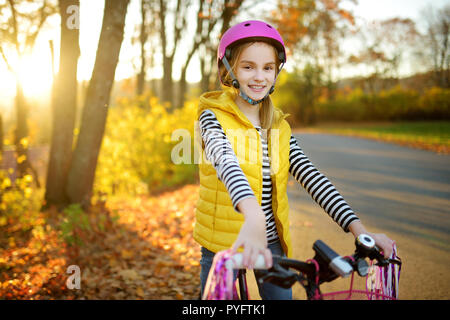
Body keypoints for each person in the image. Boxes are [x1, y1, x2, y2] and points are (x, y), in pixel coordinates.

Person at [194, 20, 394, 300]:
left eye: (268, 68)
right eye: (248, 66)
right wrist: (253, 216)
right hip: (222, 246)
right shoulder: (212, 116)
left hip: (270, 242)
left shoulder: (278, 126)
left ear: (276, 73)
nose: (259, 77)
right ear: (229, 70)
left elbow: (312, 177)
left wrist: (359, 230)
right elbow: (227, 163)